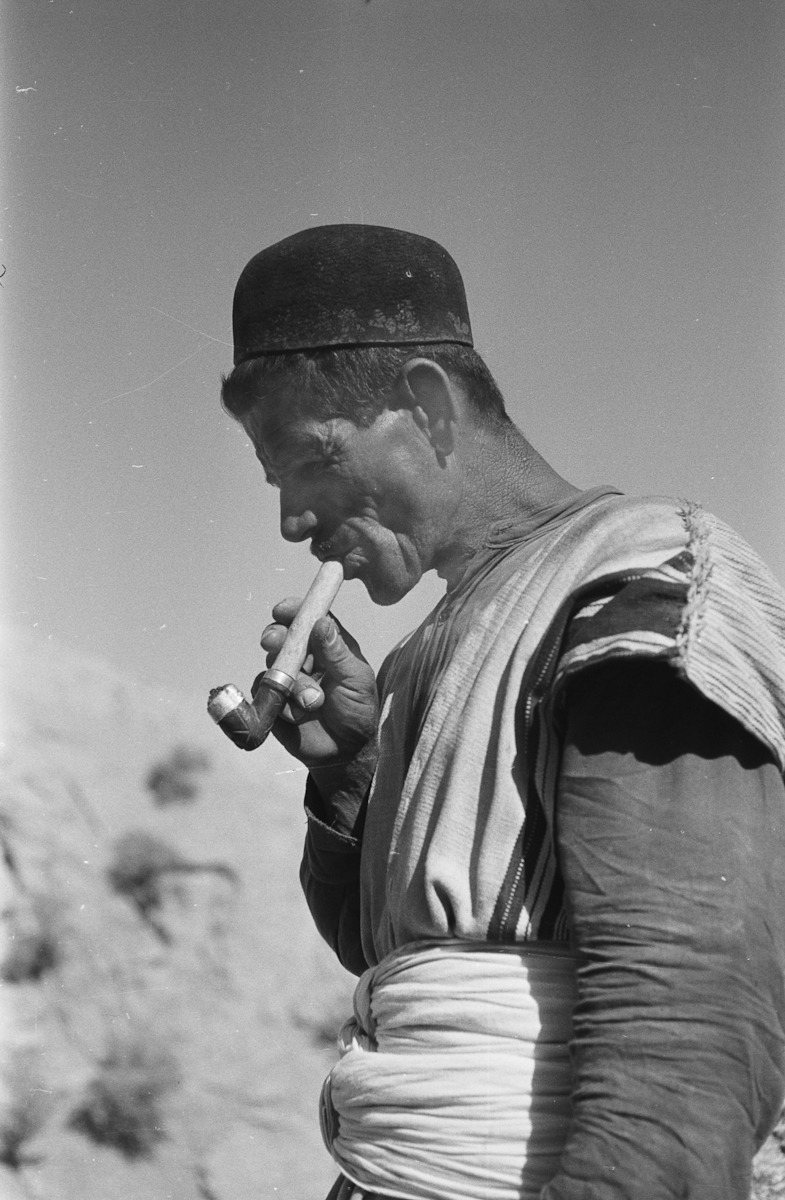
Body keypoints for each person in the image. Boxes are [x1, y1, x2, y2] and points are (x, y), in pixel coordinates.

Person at [219, 224, 785, 1199]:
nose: (291, 523)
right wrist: (349, 773)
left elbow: (681, 1057)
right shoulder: (424, 649)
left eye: (310, 464)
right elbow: (406, 968)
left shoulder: (632, 590)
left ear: (427, 409)